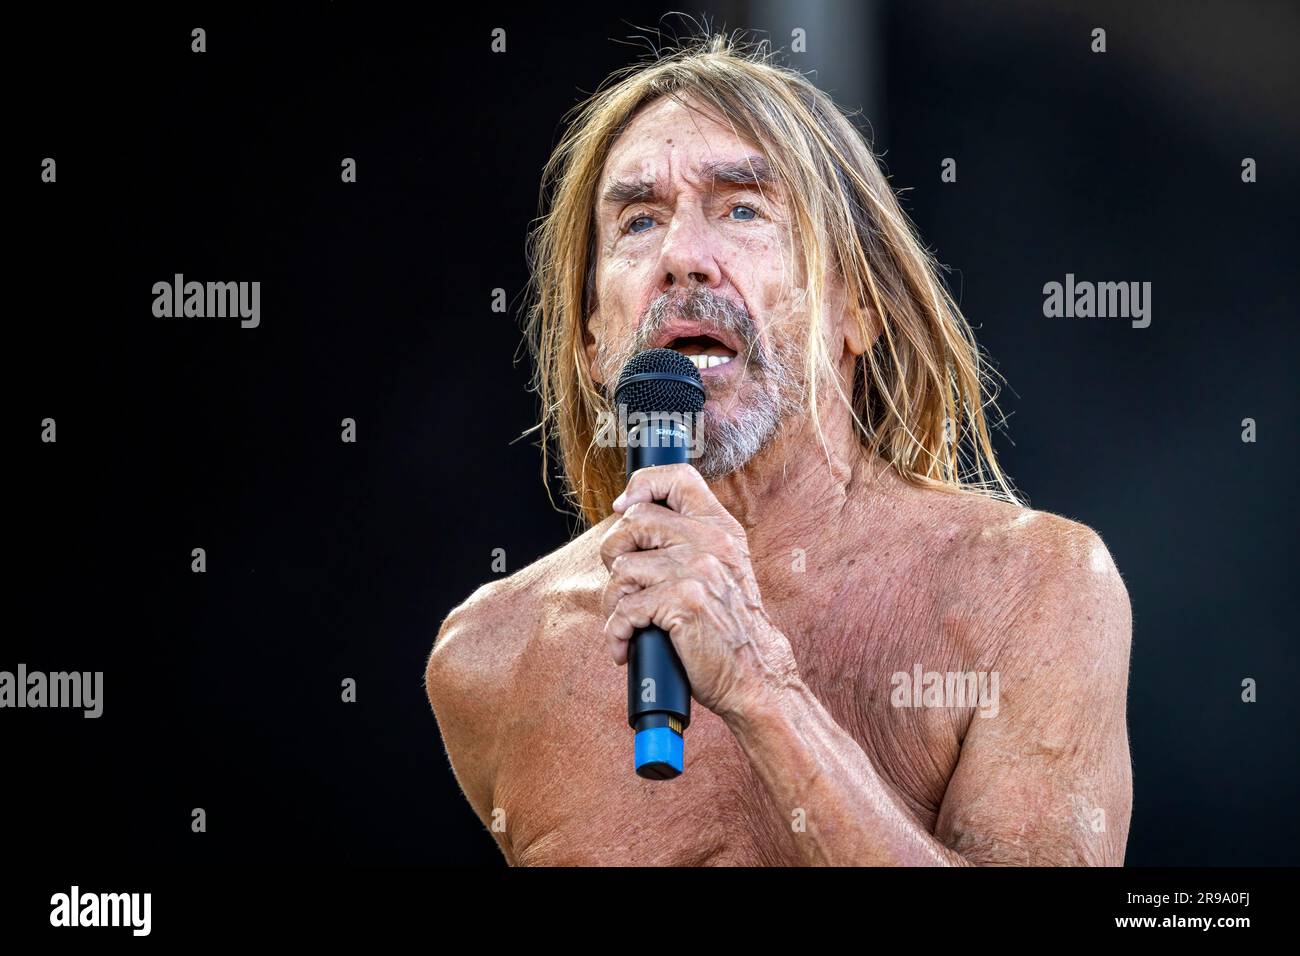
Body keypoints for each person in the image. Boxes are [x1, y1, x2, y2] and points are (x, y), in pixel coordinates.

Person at [424, 33, 1132, 866]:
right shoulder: (492, 656)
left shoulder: (1032, 591)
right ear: (591, 341)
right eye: (639, 221)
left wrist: (760, 683)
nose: (682, 258)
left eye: (744, 209)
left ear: (857, 309)